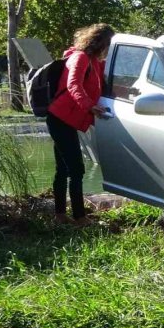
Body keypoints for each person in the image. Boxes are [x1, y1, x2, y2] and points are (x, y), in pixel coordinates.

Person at [46, 23, 114, 224]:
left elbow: (107, 83)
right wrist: (89, 106)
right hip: (60, 118)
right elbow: (73, 84)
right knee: (76, 168)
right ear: (100, 42)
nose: (109, 49)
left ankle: (60, 214)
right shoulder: (80, 57)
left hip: (68, 120)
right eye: (109, 44)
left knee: (63, 168)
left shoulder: (94, 61)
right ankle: (79, 216)